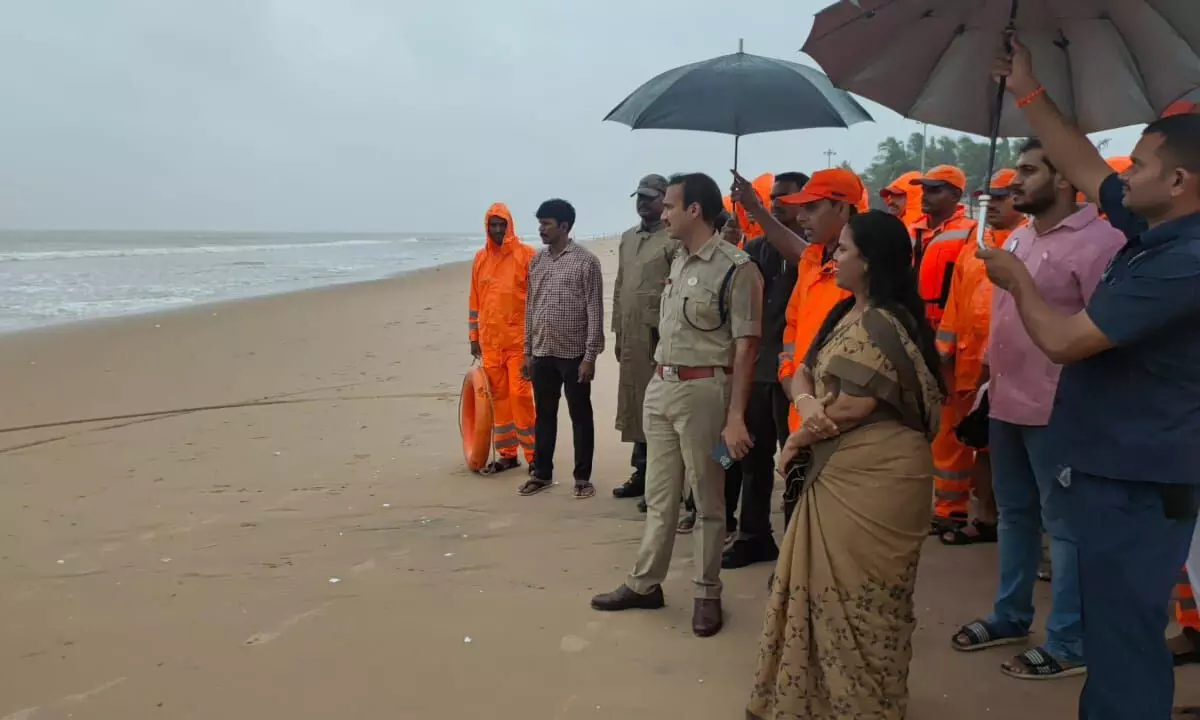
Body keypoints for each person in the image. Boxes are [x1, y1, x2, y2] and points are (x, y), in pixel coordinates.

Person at [987, 35, 1200, 719]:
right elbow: (1078, 160)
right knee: (1114, 637)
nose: (1122, 175)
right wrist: (1027, 88)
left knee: (1125, 642)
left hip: (1140, 483)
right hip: (1114, 469)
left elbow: (1068, 341)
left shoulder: (1183, 263)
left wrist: (1016, 279)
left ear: (1178, 182)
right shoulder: (1153, 231)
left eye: (1137, 165)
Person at [747, 210, 945, 719]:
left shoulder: (883, 322)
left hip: (876, 478)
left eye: (845, 250)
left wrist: (797, 436)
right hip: (838, 468)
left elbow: (857, 406)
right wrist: (809, 408)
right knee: (824, 595)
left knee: (867, 603)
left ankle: (864, 707)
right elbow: (802, 372)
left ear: (871, 261)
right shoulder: (844, 313)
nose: (835, 256)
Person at [952, 141, 1124, 682]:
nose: (1015, 182)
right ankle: (1011, 614)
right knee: (1015, 515)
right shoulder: (1019, 238)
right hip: (1007, 401)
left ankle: (1070, 639)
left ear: (1066, 177)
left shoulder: (1101, 242)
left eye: (1028, 171)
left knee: (1065, 526)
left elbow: (1105, 333)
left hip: (1062, 409)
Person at [591, 172, 763, 638]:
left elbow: (746, 347)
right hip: (662, 387)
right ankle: (646, 583)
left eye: (669, 206)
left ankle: (707, 592)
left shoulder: (737, 268)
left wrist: (735, 418)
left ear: (695, 211)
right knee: (660, 497)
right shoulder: (679, 260)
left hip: (706, 393)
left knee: (708, 500)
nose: (662, 213)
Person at [736, 169, 861, 527]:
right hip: (801, 404)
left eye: (811, 208)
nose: (802, 217)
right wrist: (792, 378)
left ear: (842, 209)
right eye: (800, 209)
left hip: (838, 414)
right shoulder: (813, 261)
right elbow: (793, 327)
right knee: (797, 500)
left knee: (832, 514)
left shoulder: (863, 271)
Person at [719, 171, 808, 569]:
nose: (775, 203)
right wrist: (730, 242)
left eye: (784, 198)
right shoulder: (757, 247)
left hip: (795, 376)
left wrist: (756, 210)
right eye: (772, 198)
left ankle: (796, 548)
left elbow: (799, 254)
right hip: (758, 369)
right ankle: (753, 535)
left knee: (794, 464)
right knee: (747, 459)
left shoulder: (817, 251)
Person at [932, 169, 1021, 543]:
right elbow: (956, 304)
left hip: (1012, 367)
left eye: (1003, 197)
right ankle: (985, 517)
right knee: (978, 443)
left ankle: (1015, 523)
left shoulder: (1027, 244)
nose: (994, 204)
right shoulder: (975, 245)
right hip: (968, 367)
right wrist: (942, 355)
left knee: (1013, 450)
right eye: (990, 197)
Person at [909, 164, 988, 535]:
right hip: (922, 338)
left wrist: (951, 344)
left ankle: (952, 508)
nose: (927, 195)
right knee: (931, 427)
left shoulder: (971, 234)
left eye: (937, 189)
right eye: (925, 189)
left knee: (953, 429)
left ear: (956, 196)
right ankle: (946, 503)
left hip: (953, 346)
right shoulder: (916, 232)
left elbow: (968, 297)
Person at [520, 199, 604, 499]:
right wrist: (528, 351)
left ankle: (582, 478)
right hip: (542, 351)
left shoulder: (586, 262)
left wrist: (590, 357)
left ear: (565, 227)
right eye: (540, 223)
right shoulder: (537, 261)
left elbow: (595, 312)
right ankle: (541, 473)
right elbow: (531, 307)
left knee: (580, 416)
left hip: (574, 355)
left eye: (547, 224)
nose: (541, 229)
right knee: (544, 415)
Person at [612, 175, 677, 504]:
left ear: (664, 200)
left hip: (660, 339)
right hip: (631, 337)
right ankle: (641, 470)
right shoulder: (627, 238)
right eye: (639, 197)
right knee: (637, 404)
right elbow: (621, 286)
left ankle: (663, 480)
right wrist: (617, 332)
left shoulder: (674, 239)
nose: (642, 203)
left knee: (661, 408)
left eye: (649, 198)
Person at [468, 204, 538, 474]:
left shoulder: (526, 255)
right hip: (490, 342)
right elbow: (474, 300)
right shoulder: (480, 259)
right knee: (498, 399)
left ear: (510, 225)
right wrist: (473, 335)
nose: (497, 230)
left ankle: (534, 456)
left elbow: (536, 300)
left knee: (520, 396)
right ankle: (508, 454)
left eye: (502, 225)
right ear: (487, 227)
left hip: (519, 341)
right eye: (493, 225)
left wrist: (534, 339)